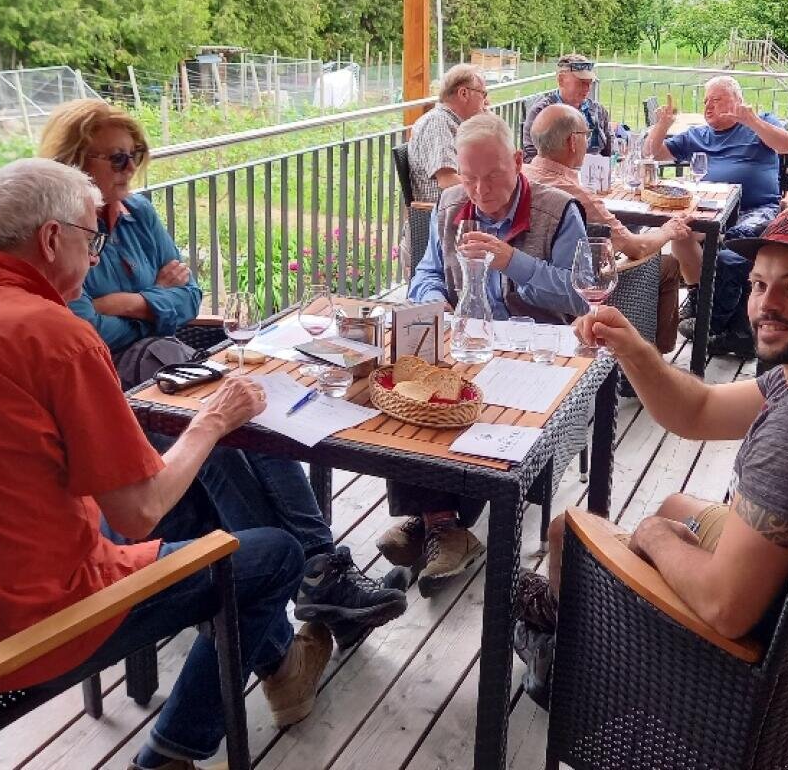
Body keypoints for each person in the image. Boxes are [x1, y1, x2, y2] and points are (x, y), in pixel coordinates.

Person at [0, 159, 327, 770]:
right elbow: (138, 515)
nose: (96, 252)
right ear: (53, 240)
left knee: (195, 508)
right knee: (273, 557)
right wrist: (213, 419)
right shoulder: (55, 335)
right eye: (92, 237)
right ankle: (173, 749)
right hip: (19, 631)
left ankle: (283, 667)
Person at [510, 205, 788, 707]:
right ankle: (567, 619)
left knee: (566, 532)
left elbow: (726, 610)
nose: (768, 304)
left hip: (769, 662)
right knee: (676, 505)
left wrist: (653, 537)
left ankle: (571, 666)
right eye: (759, 285)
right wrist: (633, 347)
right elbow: (699, 410)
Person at [39, 100, 406, 652]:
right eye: (117, 156)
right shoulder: (62, 233)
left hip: (170, 363)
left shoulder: (139, 216)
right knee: (223, 431)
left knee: (253, 414)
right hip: (107, 388)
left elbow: (187, 298)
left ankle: (317, 570)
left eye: (137, 153)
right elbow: (83, 326)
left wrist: (128, 302)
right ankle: (315, 571)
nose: (130, 166)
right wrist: (151, 302)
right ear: (73, 161)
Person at [379, 112, 590, 595]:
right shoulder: (450, 203)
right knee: (412, 389)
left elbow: (579, 295)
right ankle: (442, 526)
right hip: (466, 346)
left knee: (475, 408)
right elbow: (429, 271)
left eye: (492, 176)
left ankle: (433, 524)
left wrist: (513, 261)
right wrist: (429, 300)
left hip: (534, 356)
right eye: (470, 177)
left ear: (518, 161)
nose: (479, 189)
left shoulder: (557, 212)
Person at [645, 76, 788, 355]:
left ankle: (713, 321)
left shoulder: (759, 123)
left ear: (736, 101)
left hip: (756, 208)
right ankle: (700, 297)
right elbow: (654, 153)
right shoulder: (699, 135)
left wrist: (752, 122)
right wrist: (662, 126)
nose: (708, 106)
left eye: (716, 100)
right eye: (706, 101)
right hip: (712, 208)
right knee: (682, 232)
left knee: (732, 249)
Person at [524, 102, 691, 352]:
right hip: (578, 294)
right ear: (573, 142)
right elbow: (638, 247)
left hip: (527, 289)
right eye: (586, 135)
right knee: (667, 266)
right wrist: (669, 231)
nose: (587, 142)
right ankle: (650, 359)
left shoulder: (521, 176)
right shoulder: (573, 195)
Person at [407, 63, 491, 203]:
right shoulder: (437, 123)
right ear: (463, 93)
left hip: (463, 206)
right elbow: (447, 180)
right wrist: (490, 190)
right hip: (443, 216)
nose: (487, 101)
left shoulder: (458, 123)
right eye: (483, 94)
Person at [521, 54, 614, 161]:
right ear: (561, 80)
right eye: (582, 82)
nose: (587, 88)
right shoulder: (541, 112)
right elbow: (531, 157)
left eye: (590, 82)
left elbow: (609, 154)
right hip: (554, 176)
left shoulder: (598, 111)